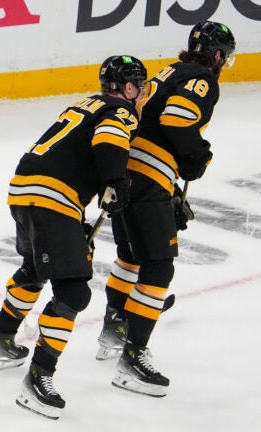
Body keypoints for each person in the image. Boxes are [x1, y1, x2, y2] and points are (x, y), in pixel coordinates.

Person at [0, 56, 148, 419]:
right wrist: (115, 183)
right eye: (141, 88)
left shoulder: (85, 103)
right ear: (130, 88)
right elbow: (107, 141)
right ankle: (37, 380)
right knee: (74, 292)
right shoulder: (121, 110)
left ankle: (0, 340)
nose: (141, 96)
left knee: (34, 269)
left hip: (24, 188)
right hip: (53, 198)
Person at [96, 21, 236, 397]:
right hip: (148, 179)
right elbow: (176, 118)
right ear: (218, 55)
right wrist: (195, 154)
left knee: (131, 256)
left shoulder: (167, 71)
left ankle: (115, 327)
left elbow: (150, 117)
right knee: (159, 264)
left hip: (126, 172)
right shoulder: (202, 78)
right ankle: (132, 357)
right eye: (226, 56)